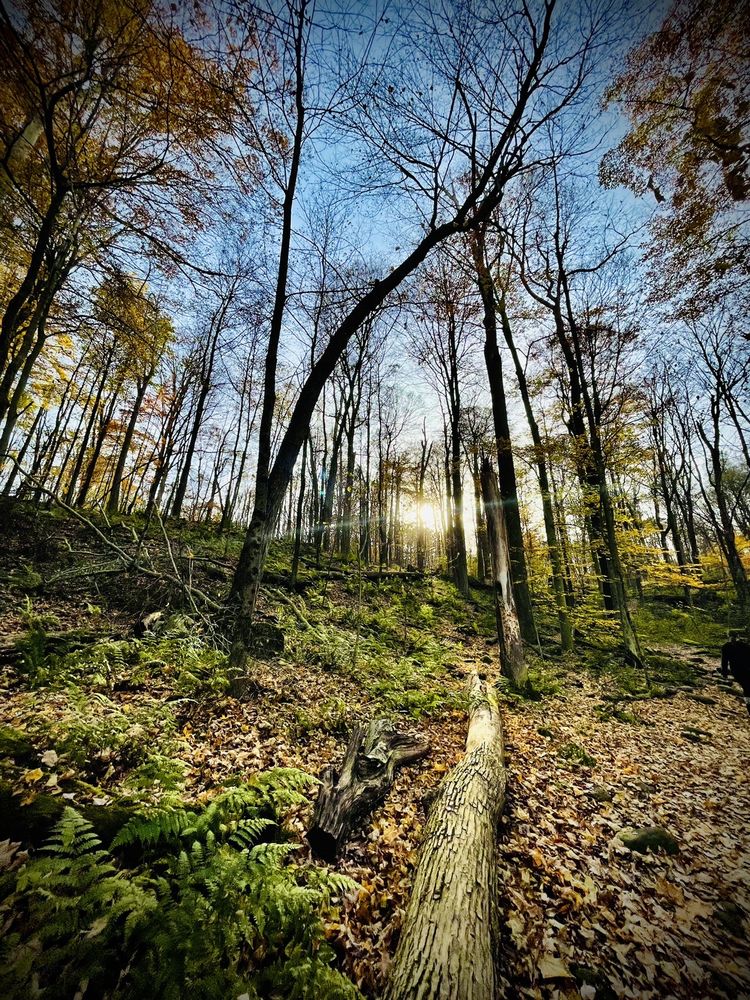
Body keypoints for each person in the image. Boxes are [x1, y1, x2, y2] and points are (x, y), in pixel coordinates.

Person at [721, 632, 750, 715]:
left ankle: (748, 705)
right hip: (746, 670)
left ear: (728, 636)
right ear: (738, 636)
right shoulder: (744, 645)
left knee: (746, 689)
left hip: (737, 671)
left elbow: (724, 661)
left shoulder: (726, 646)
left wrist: (724, 673)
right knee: (747, 688)